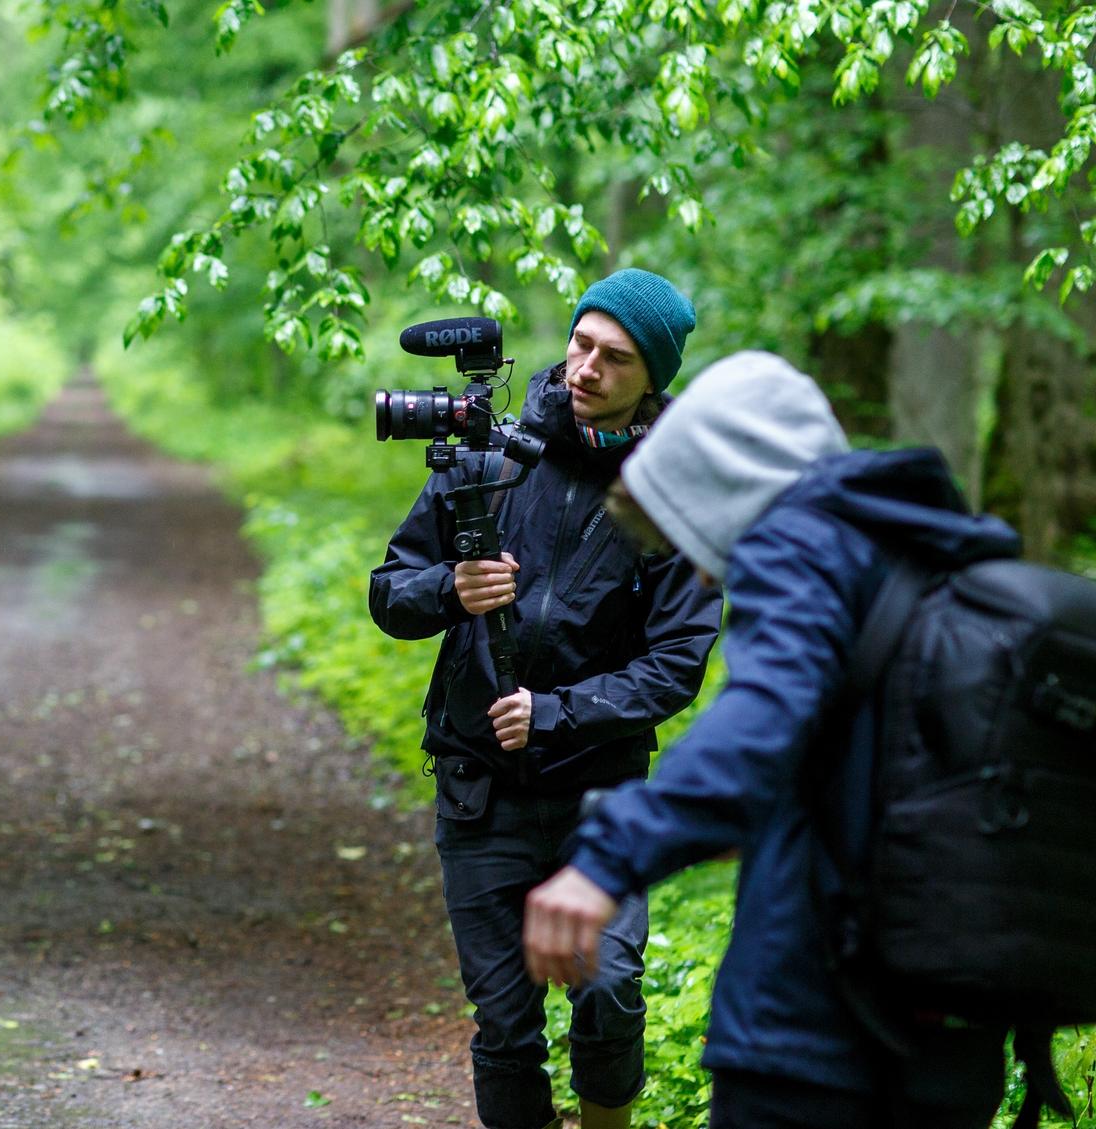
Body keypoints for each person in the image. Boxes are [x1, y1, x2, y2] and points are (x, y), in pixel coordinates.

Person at [523, 351, 1019, 1127]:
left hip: (813, 1028)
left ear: (726, 478)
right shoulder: (921, 557)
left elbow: (765, 713)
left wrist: (608, 859)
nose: (699, 570)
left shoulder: (801, 539)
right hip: (949, 1024)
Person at [370, 269, 725, 1129]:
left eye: (616, 357)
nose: (586, 369)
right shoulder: (490, 456)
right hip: (479, 784)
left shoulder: (675, 498)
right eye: (581, 344)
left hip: (599, 792)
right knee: (505, 1027)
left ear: (653, 377)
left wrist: (557, 711)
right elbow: (391, 592)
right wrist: (454, 589)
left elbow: (676, 662)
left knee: (610, 990)